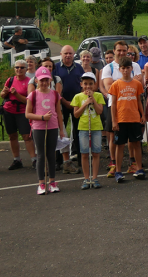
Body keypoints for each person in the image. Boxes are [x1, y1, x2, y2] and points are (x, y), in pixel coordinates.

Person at [101, 41, 141, 175]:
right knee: (114, 137)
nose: (122, 53)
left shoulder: (134, 65)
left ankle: (133, 162)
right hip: (115, 106)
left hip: (132, 107)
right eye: (119, 50)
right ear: (114, 51)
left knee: (133, 139)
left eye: (124, 50)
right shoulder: (109, 67)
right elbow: (108, 87)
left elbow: (139, 83)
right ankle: (114, 164)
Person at [26, 67, 66, 194]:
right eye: (41, 80)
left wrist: (61, 129)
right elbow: (27, 114)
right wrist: (42, 118)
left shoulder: (54, 94)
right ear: (36, 80)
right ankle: (41, 183)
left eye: (46, 80)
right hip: (38, 127)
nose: (44, 83)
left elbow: (58, 112)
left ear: (50, 80)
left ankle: (52, 182)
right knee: (41, 155)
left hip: (53, 126)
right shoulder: (33, 95)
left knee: (51, 154)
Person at [110, 57, 146, 183]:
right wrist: (114, 121)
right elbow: (113, 104)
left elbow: (139, 101)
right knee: (120, 145)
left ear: (131, 68)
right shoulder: (116, 85)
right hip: (121, 119)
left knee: (136, 143)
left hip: (135, 118)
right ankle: (118, 171)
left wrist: (143, 115)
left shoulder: (137, 84)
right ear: (120, 69)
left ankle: (139, 168)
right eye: (123, 68)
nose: (125, 70)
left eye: (127, 68)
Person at [0, 60, 34, 170]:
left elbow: (28, 100)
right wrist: (4, 92)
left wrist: (16, 94)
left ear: (26, 69)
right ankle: (17, 159)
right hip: (9, 110)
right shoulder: (10, 80)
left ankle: (34, 159)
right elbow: (2, 95)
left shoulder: (29, 82)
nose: (19, 69)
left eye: (22, 68)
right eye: (17, 67)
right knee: (12, 135)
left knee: (26, 136)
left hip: (23, 111)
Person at [72, 72, 105, 189]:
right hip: (83, 128)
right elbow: (76, 114)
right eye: (85, 84)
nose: (88, 86)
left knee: (96, 153)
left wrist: (93, 100)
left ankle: (95, 178)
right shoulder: (77, 97)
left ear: (95, 85)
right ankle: (86, 178)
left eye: (91, 84)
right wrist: (85, 103)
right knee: (84, 154)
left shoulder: (98, 96)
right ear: (81, 84)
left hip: (96, 127)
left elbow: (100, 111)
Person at [54, 45, 84, 173]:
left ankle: (80, 160)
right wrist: (65, 102)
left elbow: (83, 84)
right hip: (61, 104)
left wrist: (77, 102)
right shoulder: (55, 68)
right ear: (61, 54)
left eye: (70, 53)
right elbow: (54, 87)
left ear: (74, 54)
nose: (68, 55)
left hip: (77, 105)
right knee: (61, 132)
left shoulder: (79, 67)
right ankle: (58, 161)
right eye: (65, 53)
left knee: (78, 132)